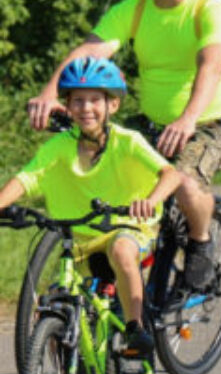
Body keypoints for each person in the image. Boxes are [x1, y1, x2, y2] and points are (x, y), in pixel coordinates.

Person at [26, 0, 221, 293]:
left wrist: (188, 120)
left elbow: (212, 65)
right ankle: (122, 270)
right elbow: (91, 51)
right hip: (152, 120)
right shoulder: (136, 8)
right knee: (108, 176)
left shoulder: (210, 8)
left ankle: (201, 243)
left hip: (204, 121)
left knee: (185, 181)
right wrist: (49, 93)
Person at [1, 58, 182, 357]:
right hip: (81, 237)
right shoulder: (58, 147)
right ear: (67, 107)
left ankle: (134, 328)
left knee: (123, 251)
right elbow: (27, 178)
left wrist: (149, 201)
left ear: (113, 105)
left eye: (95, 100)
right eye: (78, 101)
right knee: (55, 304)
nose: (86, 108)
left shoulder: (128, 142)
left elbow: (171, 174)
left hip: (128, 227)